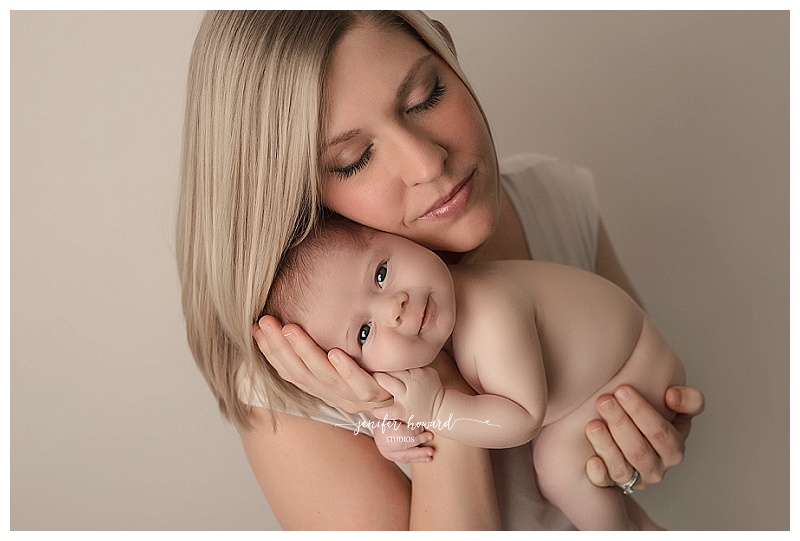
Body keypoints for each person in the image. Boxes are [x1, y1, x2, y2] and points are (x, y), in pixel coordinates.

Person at [176, 10, 705, 530]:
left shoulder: (555, 201)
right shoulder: (295, 377)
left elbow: (630, 410)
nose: (427, 164)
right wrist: (430, 392)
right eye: (354, 158)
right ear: (303, 203)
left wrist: (637, 450)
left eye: (424, 96)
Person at [264, 216, 684, 530]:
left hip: (629, 365)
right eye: (363, 332)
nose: (395, 307)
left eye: (380, 273)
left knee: (559, 464)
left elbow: (521, 418)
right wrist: (393, 430)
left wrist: (439, 407)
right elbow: (403, 414)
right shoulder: (423, 341)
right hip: (600, 380)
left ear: (396, 237)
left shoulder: (490, 313)